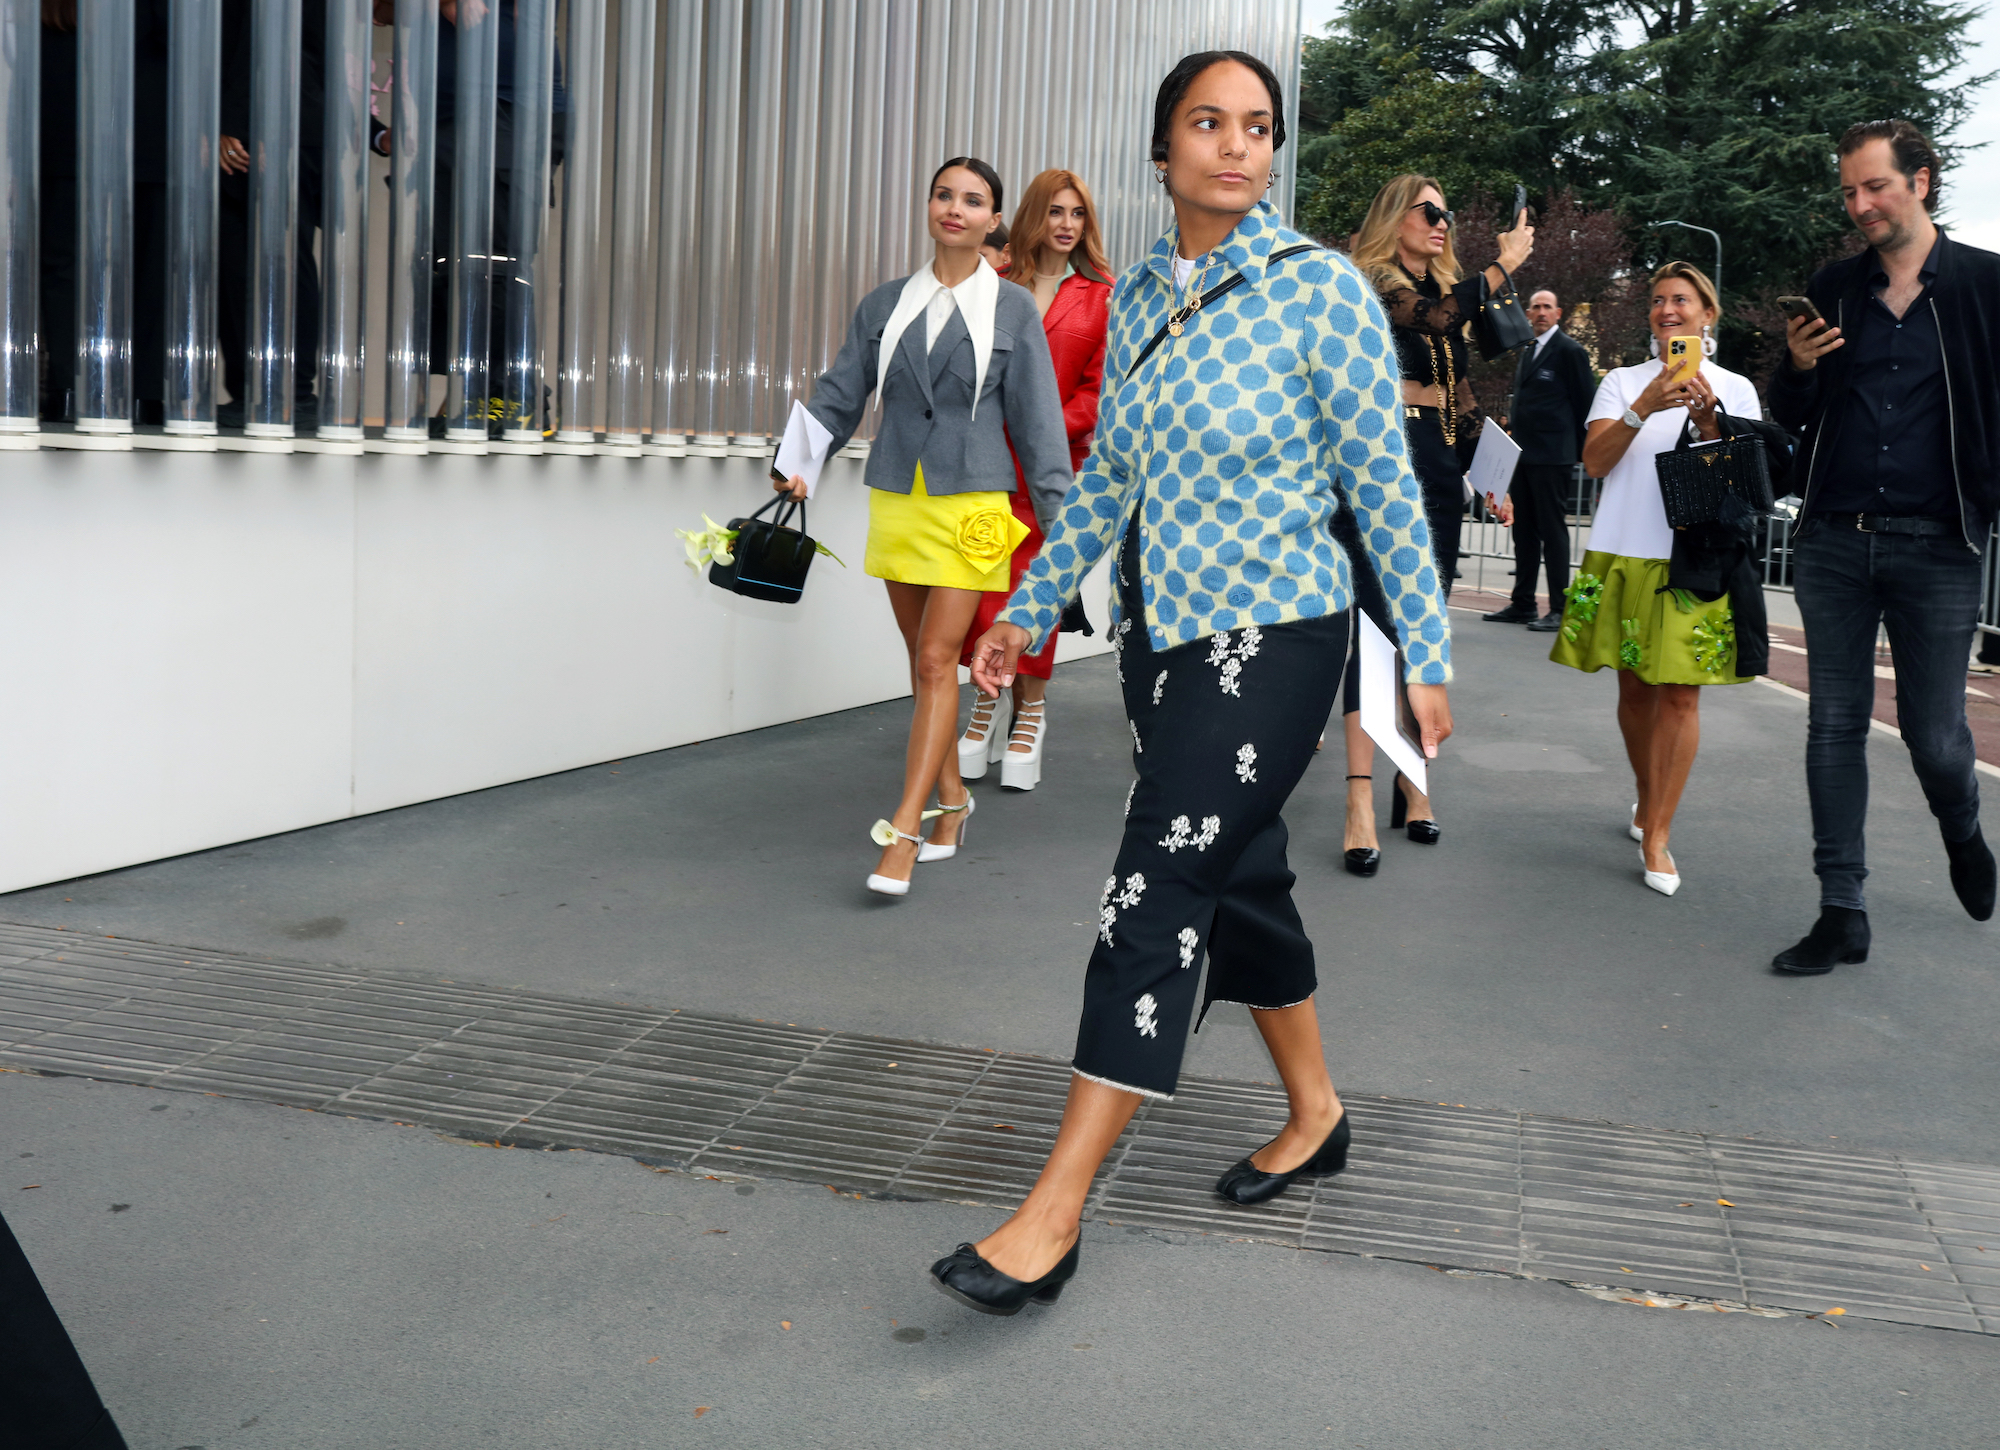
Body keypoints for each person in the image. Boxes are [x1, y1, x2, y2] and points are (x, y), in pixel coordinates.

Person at [931, 51, 1453, 1315]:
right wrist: (1024, 609)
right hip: (1166, 645)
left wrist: (1425, 659)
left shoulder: (1318, 290)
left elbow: (1380, 480)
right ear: (1161, 151)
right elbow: (1106, 481)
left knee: (1158, 879)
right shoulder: (1145, 298)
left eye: (1257, 127)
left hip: (1280, 635)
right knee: (1242, 879)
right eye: (1206, 124)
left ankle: (1051, 1216)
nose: (1235, 146)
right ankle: (1316, 1110)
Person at [775, 159, 1070, 896]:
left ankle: (903, 830)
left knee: (941, 661)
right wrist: (797, 461)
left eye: (974, 201)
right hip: (899, 502)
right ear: (930, 205)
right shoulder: (883, 305)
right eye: (945, 195)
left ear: (995, 220)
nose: (956, 209)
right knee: (922, 663)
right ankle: (955, 803)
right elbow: (841, 392)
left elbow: (1039, 429)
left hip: (974, 508)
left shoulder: (1013, 312)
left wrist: (1068, 539)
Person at [1766, 118, 1998, 971]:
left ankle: (1964, 830)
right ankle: (1842, 910)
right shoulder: (1834, 288)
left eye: (1877, 187)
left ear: (1922, 181)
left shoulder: (1983, 285)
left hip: (1941, 548)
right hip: (1833, 540)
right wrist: (1793, 367)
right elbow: (1790, 417)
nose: (1860, 205)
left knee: (1936, 737)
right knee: (1833, 725)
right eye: (1850, 191)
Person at [1333, 175, 1531, 873]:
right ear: (1396, 217)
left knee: (1421, 633)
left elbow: (1462, 396)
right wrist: (1505, 266)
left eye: (1449, 213)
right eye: (1431, 211)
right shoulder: (1369, 286)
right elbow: (1435, 320)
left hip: (1441, 467)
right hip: (1384, 466)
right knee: (1375, 636)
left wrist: (1493, 477)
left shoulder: (1443, 299)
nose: (1443, 222)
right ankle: (1360, 797)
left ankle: (1412, 778)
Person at [1548, 261, 1763, 897]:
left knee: (1681, 695)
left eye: (1683, 300)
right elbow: (1593, 463)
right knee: (1637, 690)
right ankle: (1647, 799)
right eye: (1659, 301)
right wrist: (1644, 407)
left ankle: (1660, 832)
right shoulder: (1620, 382)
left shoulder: (1736, 390)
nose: (1669, 310)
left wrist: (1708, 423)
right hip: (1624, 554)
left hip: (1694, 562)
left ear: (1708, 314)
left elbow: (1746, 487)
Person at [955, 168, 1114, 792]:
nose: (1067, 224)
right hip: (988, 466)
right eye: (1055, 211)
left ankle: (1033, 710)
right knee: (980, 584)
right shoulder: (991, 285)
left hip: (1055, 470)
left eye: (1077, 213)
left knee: (1035, 590)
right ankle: (989, 700)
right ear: (1032, 217)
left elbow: (1100, 394)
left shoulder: (1102, 298)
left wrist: (1034, 430)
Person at [219, 0, 327, 432]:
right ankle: (254, 389)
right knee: (238, 261)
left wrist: (245, 121)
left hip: (273, 123)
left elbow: (274, 43)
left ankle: (293, 392)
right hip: (254, 122)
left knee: (280, 256)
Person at [1484, 288, 1593, 632]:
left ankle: (1560, 608)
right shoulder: (1528, 350)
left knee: (1553, 531)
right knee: (1525, 533)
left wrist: (1578, 453)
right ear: (1527, 314)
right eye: (1535, 307)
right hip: (1524, 457)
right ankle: (1523, 603)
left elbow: (1585, 405)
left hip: (1553, 457)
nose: (1541, 312)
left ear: (1559, 313)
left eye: (1547, 307)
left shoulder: (1570, 351)